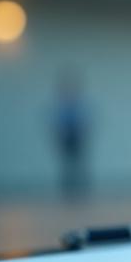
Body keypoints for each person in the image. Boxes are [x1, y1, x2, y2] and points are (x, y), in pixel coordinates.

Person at [54, 70, 88, 199]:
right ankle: (67, 192)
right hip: (66, 138)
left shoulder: (79, 104)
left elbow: (85, 121)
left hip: (77, 138)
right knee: (66, 165)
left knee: (79, 164)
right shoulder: (62, 105)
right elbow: (58, 123)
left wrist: (82, 133)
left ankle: (81, 191)